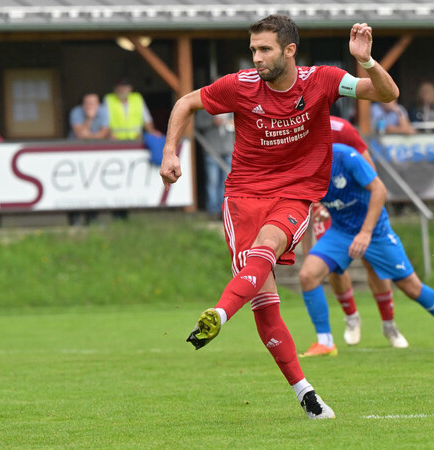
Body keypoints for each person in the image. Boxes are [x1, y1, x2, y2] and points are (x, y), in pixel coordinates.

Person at [160, 15, 400, 419]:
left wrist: (367, 62)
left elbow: (386, 95)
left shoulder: (322, 80)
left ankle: (218, 313)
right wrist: (171, 153)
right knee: (266, 307)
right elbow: (186, 103)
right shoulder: (241, 86)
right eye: (253, 49)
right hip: (242, 199)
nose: (257, 57)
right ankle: (307, 395)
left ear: (289, 50)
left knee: (268, 246)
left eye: (265, 49)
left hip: (294, 195)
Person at [298, 143, 434, 356]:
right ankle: (326, 342)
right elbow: (304, 208)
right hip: (340, 231)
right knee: (307, 275)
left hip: (375, 231)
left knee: (411, 287)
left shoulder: (345, 156)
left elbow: (380, 189)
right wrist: (308, 252)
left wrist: (366, 233)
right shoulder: (301, 166)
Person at [299, 116, 408, 356]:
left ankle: (389, 325)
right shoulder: (295, 128)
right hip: (327, 209)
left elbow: (369, 168)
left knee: (372, 262)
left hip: (355, 204)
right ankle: (351, 317)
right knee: (332, 266)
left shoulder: (342, 128)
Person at [194, 109, 234, 217]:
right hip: (211, 149)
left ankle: (224, 210)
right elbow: (195, 124)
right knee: (212, 181)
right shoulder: (204, 108)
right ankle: (213, 210)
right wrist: (212, 122)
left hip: (228, 149)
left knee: (227, 182)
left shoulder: (232, 107)